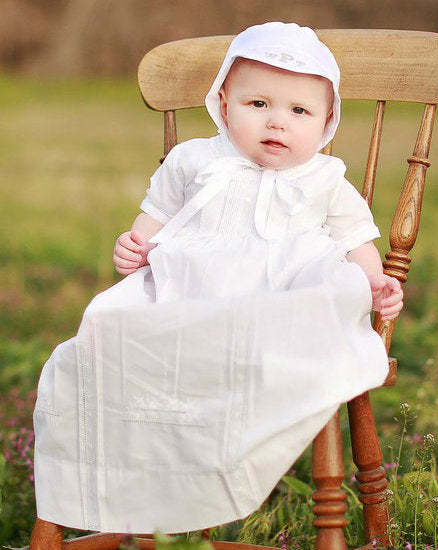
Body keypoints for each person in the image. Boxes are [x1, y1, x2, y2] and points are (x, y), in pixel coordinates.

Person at [33, 22, 403, 535]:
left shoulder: (326, 179)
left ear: (327, 121)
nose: (278, 122)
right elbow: (152, 220)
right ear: (224, 104)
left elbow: (357, 244)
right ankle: (122, 488)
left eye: (299, 111)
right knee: (106, 322)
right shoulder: (196, 159)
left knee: (335, 289)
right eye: (259, 105)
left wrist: (377, 282)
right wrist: (133, 246)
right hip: (190, 296)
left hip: (281, 305)